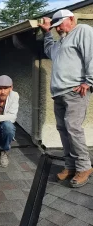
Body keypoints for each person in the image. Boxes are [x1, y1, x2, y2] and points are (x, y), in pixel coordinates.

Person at [38, 9, 93, 188]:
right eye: (55, 27)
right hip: (59, 94)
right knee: (63, 129)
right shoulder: (60, 42)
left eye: (59, 24)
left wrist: (89, 81)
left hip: (76, 91)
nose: (58, 29)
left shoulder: (82, 31)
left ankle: (84, 167)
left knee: (72, 128)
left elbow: (92, 55)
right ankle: (70, 166)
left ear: (71, 19)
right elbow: (48, 50)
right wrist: (47, 32)